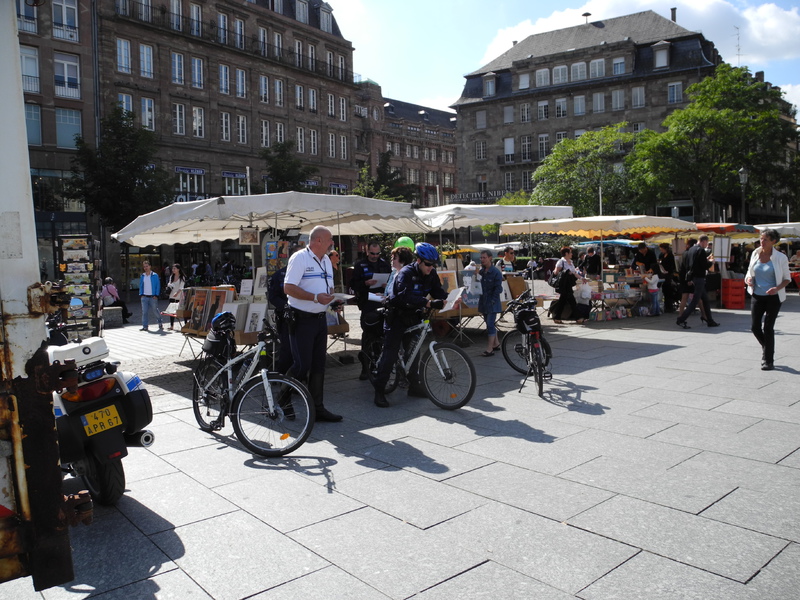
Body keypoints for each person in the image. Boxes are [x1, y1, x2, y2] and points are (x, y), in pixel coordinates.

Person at [372, 243, 449, 408]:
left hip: (413, 316)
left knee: (414, 352)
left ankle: (414, 386)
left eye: (433, 265)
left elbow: (438, 291)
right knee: (390, 353)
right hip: (396, 317)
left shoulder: (431, 273)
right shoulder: (406, 273)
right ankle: (379, 391)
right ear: (419, 260)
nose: (431, 267)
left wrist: (449, 299)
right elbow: (403, 296)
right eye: (428, 264)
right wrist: (428, 303)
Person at [283, 226, 342, 422]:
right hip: (301, 318)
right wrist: (315, 297)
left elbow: (329, 289)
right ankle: (281, 400)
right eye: (330, 239)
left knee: (318, 365)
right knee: (302, 365)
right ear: (318, 240)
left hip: (319, 319)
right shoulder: (299, 258)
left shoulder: (326, 260)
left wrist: (334, 301)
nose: (332, 243)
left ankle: (317, 408)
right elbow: (288, 288)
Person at [745, 228, 791, 370]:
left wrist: (776, 288)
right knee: (754, 327)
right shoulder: (755, 253)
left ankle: (768, 360)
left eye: (765, 239)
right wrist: (748, 279)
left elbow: (787, 279)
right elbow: (749, 272)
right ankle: (767, 347)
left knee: (768, 328)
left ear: (773, 241)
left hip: (773, 297)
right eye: (761, 238)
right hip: (757, 295)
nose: (762, 241)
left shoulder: (780, 258)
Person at [351, 240, 392, 380]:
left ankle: (377, 365)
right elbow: (353, 284)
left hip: (382, 302)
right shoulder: (360, 265)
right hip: (368, 304)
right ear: (367, 252)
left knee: (380, 335)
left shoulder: (384, 264)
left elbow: (391, 280)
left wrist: (387, 285)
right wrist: (365, 283)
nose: (375, 256)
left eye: (377, 253)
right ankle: (365, 368)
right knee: (368, 336)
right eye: (372, 253)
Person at [269, 244, 302, 376]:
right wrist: (286, 306)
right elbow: (273, 297)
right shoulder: (279, 275)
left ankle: (301, 377)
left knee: (303, 349)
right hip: (287, 319)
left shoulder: (308, 274)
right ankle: (283, 377)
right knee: (287, 349)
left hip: (305, 317)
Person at [676, 235, 719, 329]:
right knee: (695, 300)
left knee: (705, 300)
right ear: (703, 241)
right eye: (707, 243)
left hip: (693, 277)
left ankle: (710, 320)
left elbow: (693, 264)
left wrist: (689, 279)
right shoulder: (700, 250)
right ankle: (681, 319)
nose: (707, 245)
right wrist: (711, 262)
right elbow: (704, 265)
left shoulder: (691, 249)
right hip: (699, 277)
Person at [549, 247, 586, 324]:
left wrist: (582, 278)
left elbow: (574, 273)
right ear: (566, 253)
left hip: (568, 283)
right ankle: (578, 317)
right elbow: (556, 272)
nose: (572, 254)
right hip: (563, 284)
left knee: (562, 301)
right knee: (572, 301)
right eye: (570, 252)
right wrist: (565, 272)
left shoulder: (571, 262)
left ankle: (557, 317)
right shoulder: (561, 262)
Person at [478, 250, 503, 356]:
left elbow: (498, 289)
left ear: (490, 258)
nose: (482, 259)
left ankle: (489, 349)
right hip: (483, 301)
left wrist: (492, 300)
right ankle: (496, 344)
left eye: (484, 257)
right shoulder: (481, 271)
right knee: (489, 323)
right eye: (481, 258)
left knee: (490, 324)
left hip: (492, 302)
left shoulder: (496, 272)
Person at [139, 260, 163, 331]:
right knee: (144, 312)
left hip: (153, 297)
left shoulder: (155, 275)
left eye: (147, 266)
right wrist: (141, 294)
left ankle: (160, 322)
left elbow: (158, 285)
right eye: (144, 267)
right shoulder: (142, 276)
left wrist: (156, 295)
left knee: (155, 310)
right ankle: (145, 326)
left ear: (150, 266)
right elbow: (141, 285)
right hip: (144, 296)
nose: (145, 268)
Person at [658, 243, 678, 313]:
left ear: (666, 249)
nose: (661, 251)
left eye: (662, 249)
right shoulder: (661, 255)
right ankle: (666, 306)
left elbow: (672, 265)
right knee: (664, 290)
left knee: (669, 290)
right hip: (662, 274)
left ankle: (669, 306)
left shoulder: (670, 255)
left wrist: (669, 271)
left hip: (669, 274)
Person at [166, 264, 186, 330]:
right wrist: (169, 286)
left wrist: (177, 293)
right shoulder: (172, 276)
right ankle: (172, 325)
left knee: (181, 311)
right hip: (171, 295)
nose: (173, 270)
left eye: (174, 268)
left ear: (178, 269)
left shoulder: (182, 277)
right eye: (173, 268)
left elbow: (181, 287)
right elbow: (169, 284)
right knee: (171, 310)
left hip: (179, 296)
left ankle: (185, 325)